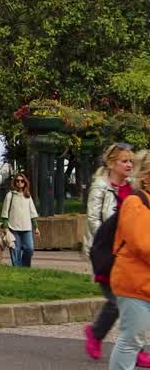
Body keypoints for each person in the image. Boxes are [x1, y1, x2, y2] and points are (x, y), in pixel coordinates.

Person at [85, 143, 141, 362]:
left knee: (131, 300)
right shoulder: (100, 187)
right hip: (105, 254)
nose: (129, 165)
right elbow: (93, 219)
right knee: (120, 301)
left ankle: (132, 348)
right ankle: (101, 335)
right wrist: (107, 248)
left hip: (126, 254)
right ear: (111, 163)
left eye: (131, 161)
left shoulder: (132, 188)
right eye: (124, 161)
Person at [109, 150, 150, 370]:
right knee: (131, 340)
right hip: (134, 284)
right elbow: (143, 244)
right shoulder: (136, 202)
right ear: (145, 176)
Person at [0, 173, 39, 267]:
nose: (19, 182)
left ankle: (25, 267)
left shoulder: (28, 196)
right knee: (15, 250)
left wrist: (36, 227)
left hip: (27, 228)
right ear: (15, 182)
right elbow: (5, 212)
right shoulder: (10, 195)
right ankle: (17, 268)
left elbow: (33, 213)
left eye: (22, 181)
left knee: (29, 249)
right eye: (17, 181)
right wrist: (5, 227)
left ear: (25, 183)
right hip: (13, 228)